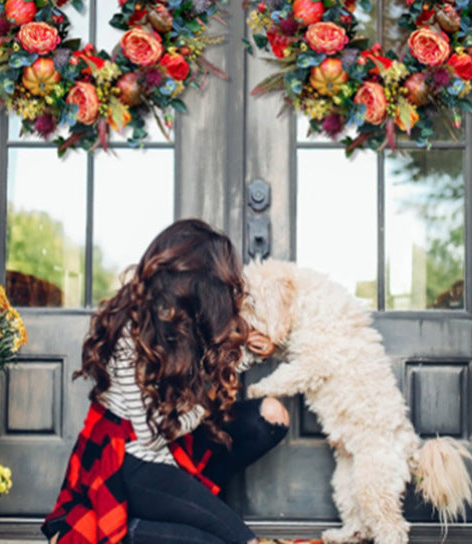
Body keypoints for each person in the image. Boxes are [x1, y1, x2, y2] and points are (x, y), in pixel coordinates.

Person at [43, 218, 289, 544]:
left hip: (172, 446)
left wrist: (254, 352)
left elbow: (211, 376)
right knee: (231, 540)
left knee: (269, 418)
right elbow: (152, 437)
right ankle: (128, 528)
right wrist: (204, 403)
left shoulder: (188, 320)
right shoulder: (130, 332)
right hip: (131, 457)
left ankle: (162, 520)